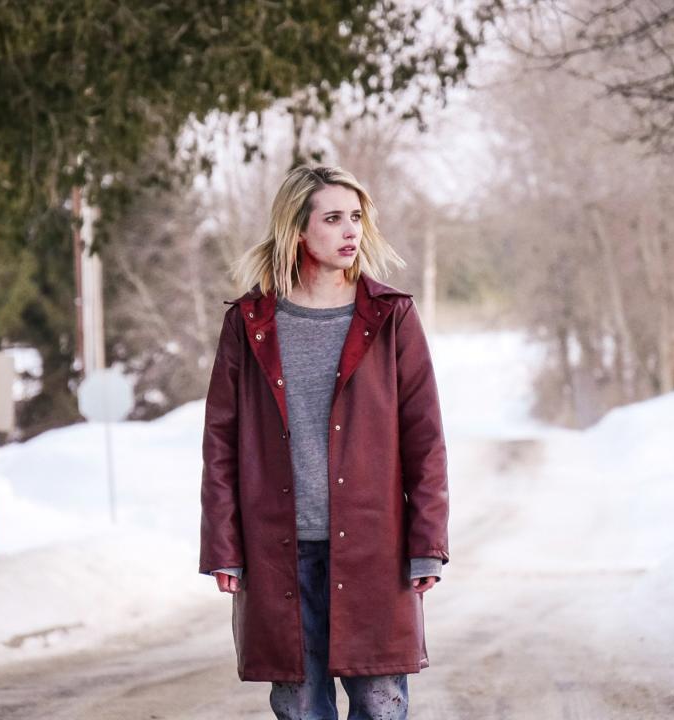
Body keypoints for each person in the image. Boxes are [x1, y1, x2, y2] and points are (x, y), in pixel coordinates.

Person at [199, 164, 449, 720]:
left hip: (374, 551)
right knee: (300, 710)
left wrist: (426, 541)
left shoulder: (391, 316)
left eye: (356, 218)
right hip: (277, 553)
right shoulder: (250, 321)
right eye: (333, 218)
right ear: (297, 230)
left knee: (382, 709)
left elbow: (425, 439)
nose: (349, 231)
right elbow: (220, 443)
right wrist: (225, 547)